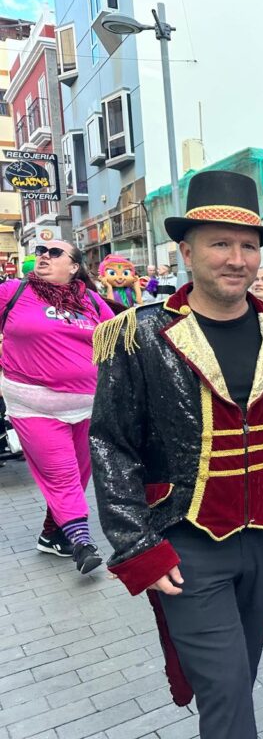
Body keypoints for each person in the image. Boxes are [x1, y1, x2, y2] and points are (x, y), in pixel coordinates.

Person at [90, 170, 263, 739]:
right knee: (228, 693)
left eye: (248, 246)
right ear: (186, 252)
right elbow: (111, 446)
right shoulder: (139, 337)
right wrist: (138, 546)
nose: (237, 259)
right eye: (220, 244)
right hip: (186, 545)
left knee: (242, 672)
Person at [0, 241, 113, 573]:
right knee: (62, 472)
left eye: (54, 252)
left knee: (78, 474)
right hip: (33, 404)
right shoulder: (13, 292)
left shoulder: (90, 300)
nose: (44, 255)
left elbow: (117, 338)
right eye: (41, 250)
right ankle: (81, 541)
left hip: (89, 406)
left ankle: (53, 535)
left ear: (75, 267)